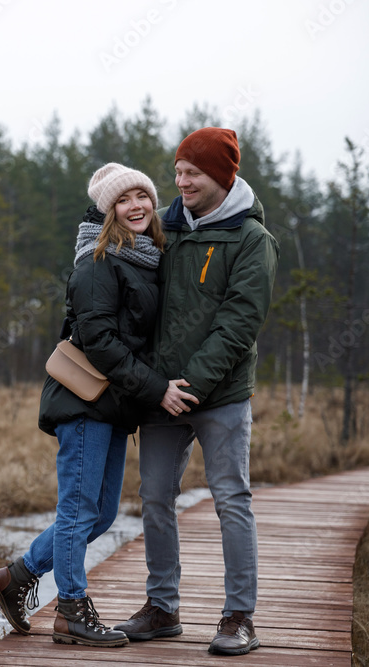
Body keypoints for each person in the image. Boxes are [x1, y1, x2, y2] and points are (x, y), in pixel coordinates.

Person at [0, 163, 198, 647]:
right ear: (109, 211)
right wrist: (156, 388)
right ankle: (71, 611)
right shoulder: (98, 262)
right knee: (79, 510)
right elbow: (99, 341)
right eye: (125, 200)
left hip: (113, 406)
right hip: (85, 404)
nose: (138, 205)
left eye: (143, 195)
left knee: (98, 515)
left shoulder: (144, 257)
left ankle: (16, 577)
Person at [112, 127, 280, 656]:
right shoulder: (165, 229)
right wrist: (158, 386)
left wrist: (193, 386)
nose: (179, 182)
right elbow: (109, 245)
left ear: (222, 177)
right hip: (162, 395)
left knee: (232, 499)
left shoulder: (252, 240)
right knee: (156, 498)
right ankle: (163, 608)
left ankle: (239, 617)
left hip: (222, 395)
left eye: (191, 173)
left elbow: (239, 323)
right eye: (178, 171)